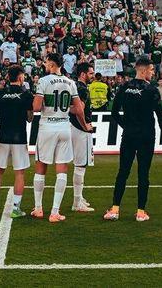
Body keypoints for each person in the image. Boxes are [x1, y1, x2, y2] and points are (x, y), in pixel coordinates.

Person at [104, 57, 162, 222]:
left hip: (129, 135)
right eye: (151, 70)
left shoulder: (124, 87)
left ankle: (114, 210)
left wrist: (126, 126)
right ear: (143, 70)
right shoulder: (152, 90)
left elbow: (114, 113)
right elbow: (161, 117)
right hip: (147, 136)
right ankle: (141, 212)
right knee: (143, 173)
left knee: (123, 172)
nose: (152, 72)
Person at [31, 52, 90, 223]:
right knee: (62, 170)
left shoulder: (43, 81)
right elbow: (79, 109)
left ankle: (39, 208)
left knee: (41, 168)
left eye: (46, 63)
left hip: (47, 126)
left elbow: (36, 107)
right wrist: (85, 125)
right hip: (64, 126)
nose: (44, 65)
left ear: (51, 64)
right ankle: (55, 212)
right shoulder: (70, 82)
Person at [0, 66, 33, 219]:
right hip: (19, 137)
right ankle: (15, 208)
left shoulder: (0, 94)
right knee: (19, 173)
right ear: (20, 77)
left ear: (8, 77)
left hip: (3, 136)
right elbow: (30, 117)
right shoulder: (26, 94)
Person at [69, 62, 96, 213]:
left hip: (71, 127)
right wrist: (85, 125)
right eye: (91, 73)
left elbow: (72, 109)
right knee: (81, 165)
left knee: (78, 165)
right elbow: (79, 110)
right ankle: (77, 202)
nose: (93, 76)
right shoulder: (82, 89)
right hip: (80, 129)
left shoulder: (73, 86)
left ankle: (79, 198)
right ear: (83, 74)